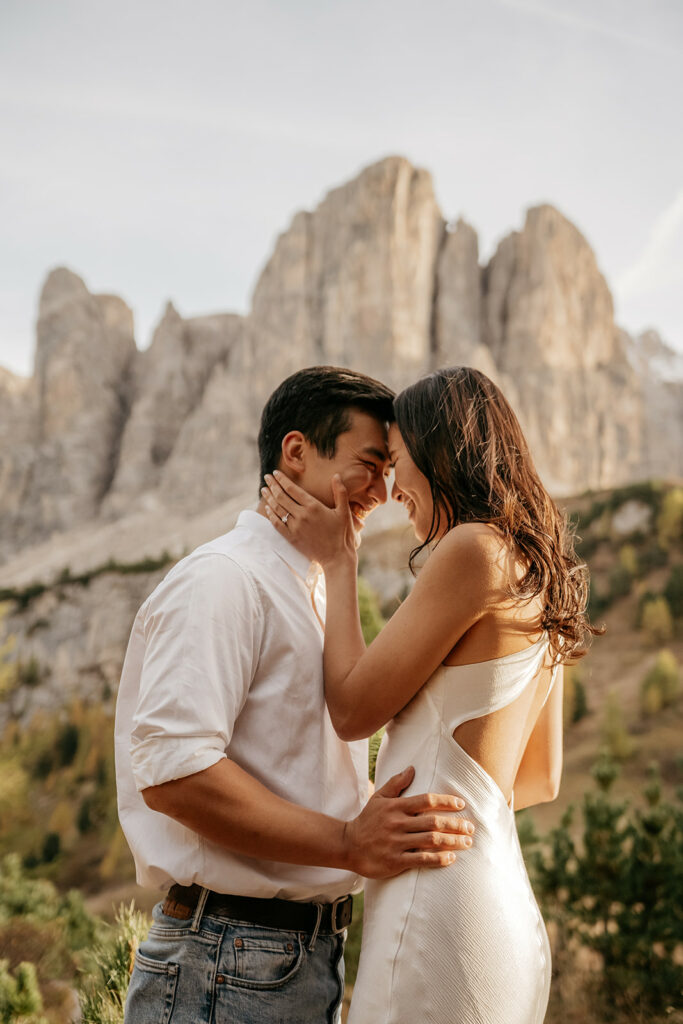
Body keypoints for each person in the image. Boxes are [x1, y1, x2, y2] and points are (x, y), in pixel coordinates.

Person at [115, 366, 475, 1024]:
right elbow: (174, 773)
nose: (383, 492)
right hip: (224, 960)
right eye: (368, 464)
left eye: (389, 469)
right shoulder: (224, 579)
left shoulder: (312, 590)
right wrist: (346, 842)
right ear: (296, 451)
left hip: (289, 958)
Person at [262, 366, 599, 1024]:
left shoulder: (472, 548)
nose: (390, 489)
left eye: (396, 462)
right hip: (500, 905)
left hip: (439, 902)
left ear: (440, 454)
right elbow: (539, 778)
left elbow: (355, 710)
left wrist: (338, 560)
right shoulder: (537, 570)